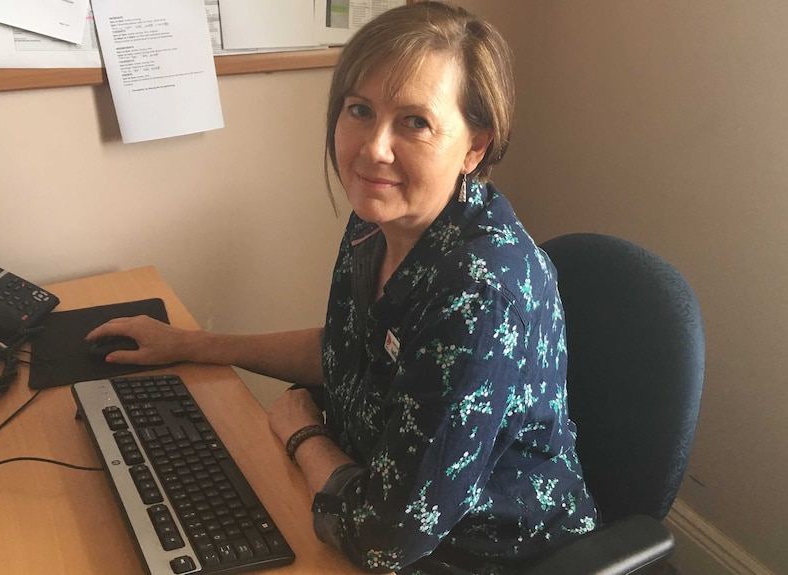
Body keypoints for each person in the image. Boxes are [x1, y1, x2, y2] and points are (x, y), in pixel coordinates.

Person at [87, 2, 599, 573]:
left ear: (475, 147)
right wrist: (190, 344)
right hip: (366, 491)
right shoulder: (377, 220)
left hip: (479, 555)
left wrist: (302, 433)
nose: (372, 149)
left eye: (416, 122)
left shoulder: (480, 294)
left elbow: (389, 538)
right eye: (360, 110)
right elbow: (345, 350)